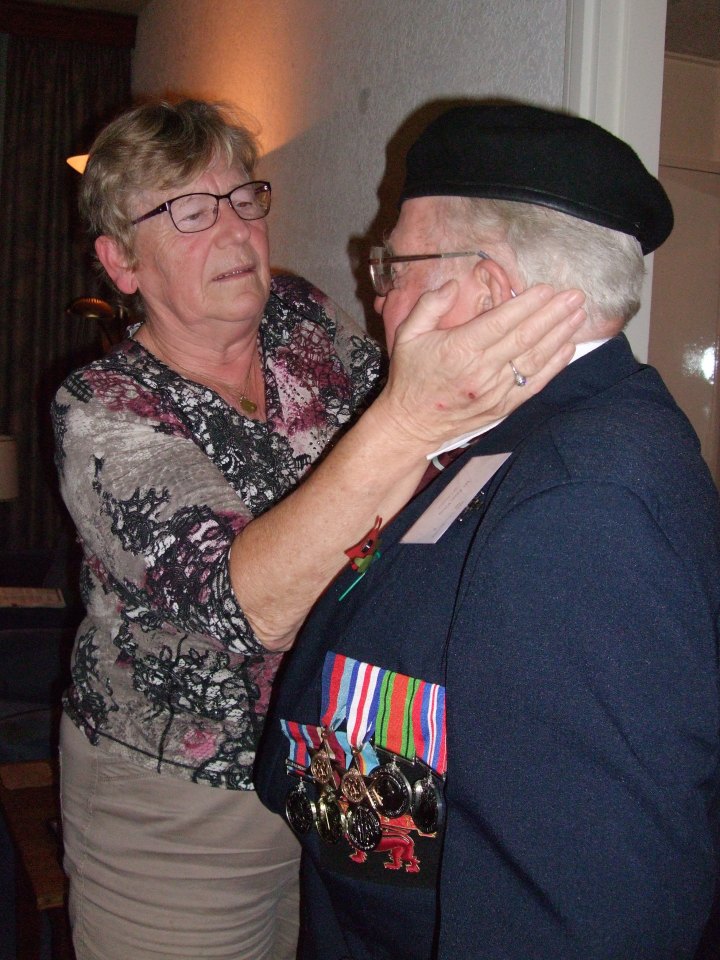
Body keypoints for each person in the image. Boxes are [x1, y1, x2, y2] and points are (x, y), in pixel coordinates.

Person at [51, 98, 583, 960]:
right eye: (186, 211)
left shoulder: (297, 317)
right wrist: (407, 420)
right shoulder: (102, 411)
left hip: (339, 744)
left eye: (241, 199)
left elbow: (429, 448)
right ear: (121, 263)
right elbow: (249, 607)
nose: (231, 230)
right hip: (177, 799)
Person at [254, 102, 720, 960]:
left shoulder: (585, 500)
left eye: (394, 264)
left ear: (491, 290)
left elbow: (581, 911)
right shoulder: (507, 438)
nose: (374, 287)